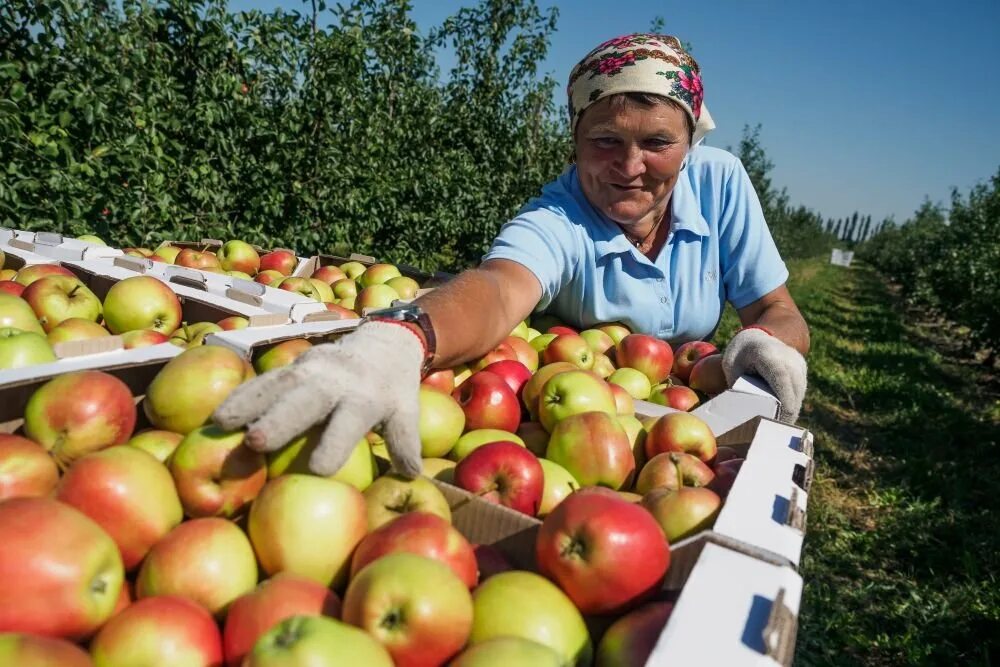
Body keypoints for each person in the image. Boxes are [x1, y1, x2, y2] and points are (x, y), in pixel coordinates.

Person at [213, 33, 809, 478]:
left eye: (657, 143)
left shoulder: (720, 183)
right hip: (558, 430)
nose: (631, 168)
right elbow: (499, 288)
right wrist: (407, 336)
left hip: (686, 423)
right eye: (605, 141)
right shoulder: (558, 217)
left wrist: (764, 348)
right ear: (574, 140)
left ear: (689, 143)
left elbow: (775, 306)